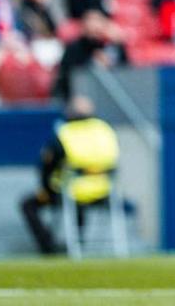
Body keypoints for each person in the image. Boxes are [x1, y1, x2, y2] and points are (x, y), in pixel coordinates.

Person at [20, 96, 119, 255]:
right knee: (78, 202)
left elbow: (47, 165)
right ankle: (78, 242)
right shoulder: (105, 130)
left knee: (27, 204)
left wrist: (46, 188)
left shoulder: (66, 132)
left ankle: (49, 247)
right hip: (103, 191)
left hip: (71, 192)